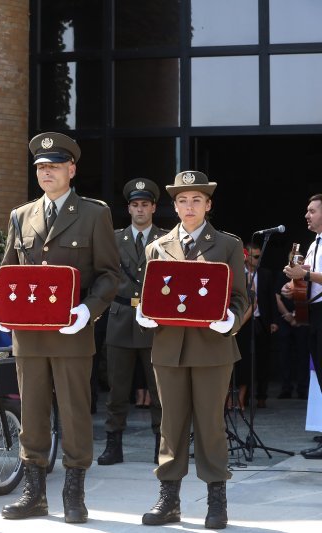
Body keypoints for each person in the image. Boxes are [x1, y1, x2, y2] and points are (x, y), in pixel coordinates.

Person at [0, 132, 120, 523]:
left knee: (75, 413)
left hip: (71, 334)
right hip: (28, 334)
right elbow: (8, 268)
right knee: (31, 412)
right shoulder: (21, 215)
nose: (46, 173)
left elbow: (110, 275)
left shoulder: (95, 214)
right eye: (41, 167)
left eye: (54, 166)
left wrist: (88, 310)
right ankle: (34, 494)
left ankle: (74, 495)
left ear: (71, 170)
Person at [136, 171, 247, 529]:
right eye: (182, 200)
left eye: (196, 200)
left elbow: (243, 298)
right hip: (169, 348)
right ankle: (169, 499)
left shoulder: (227, 245)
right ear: (174, 205)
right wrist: (144, 312)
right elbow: (149, 292)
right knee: (170, 425)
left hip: (212, 348)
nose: (189, 206)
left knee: (211, 425)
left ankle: (217, 500)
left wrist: (230, 319)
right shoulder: (156, 246)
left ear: (208, 205)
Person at [99, 178, 164, 466]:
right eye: (135, 205)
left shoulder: (166, 238)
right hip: (121, 317)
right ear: (129, 208)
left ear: (154, 207)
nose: (140, 210)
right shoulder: (113, 238)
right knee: (117, 389)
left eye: (145, 205)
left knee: (159, 388)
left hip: (153, 320)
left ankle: (162, 445)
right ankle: (114, 445)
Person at [282, 193, 322, 459]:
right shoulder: (313, 244)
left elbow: (310, 275)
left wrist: (304, 275)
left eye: (312, 211)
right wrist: (293, 286)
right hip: (315, 312)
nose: (307, 215)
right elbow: (307, 278)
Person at [234, 243, 278, 409]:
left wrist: (274, 321)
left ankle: (262, 396)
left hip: (261, 320)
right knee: (244, 360)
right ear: (246, 257)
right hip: (244, 322)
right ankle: (242, 399)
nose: (257, 260)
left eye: (259, 256)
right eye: (254, 256)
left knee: (263, 360)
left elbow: (271, 299)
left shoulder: (265, 274)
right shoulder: (239, 274)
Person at [274, 270, 310, 400]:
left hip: (303, 319)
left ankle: (303, 389)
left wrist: (298, 316)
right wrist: (287, 315)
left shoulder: (307, 275)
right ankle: (286, 388)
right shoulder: (282, 275)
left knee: (303, 354)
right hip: (285, 319)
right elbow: (277, 297)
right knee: (284, 355)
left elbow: (312, 295)